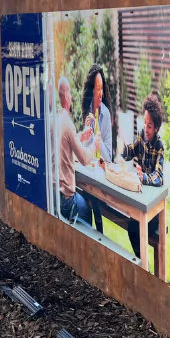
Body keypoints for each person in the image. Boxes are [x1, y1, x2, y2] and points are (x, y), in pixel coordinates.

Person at [121, 92, 165, 259]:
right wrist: (122, 146)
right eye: (145, 124)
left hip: (152, 207)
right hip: (140, 201)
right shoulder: (141, 135)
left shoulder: (159, 146)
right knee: (131, 227)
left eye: (149, 126)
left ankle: (142, 265)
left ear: (156, 128)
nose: (146, 129)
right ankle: (141, 263)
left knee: (134, 229)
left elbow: (159, 177)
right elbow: (129, 152)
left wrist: (143, 177)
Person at [80, 64, 113, 231]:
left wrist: (97, 139)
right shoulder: (86, 112)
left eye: (102, 88)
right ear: (91, 90)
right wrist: (88, 134)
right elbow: (83, 150)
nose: (100, 93)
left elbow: (109, 157)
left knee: (94, 201)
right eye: (97, 88)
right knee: (86, 198)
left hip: (100, 173)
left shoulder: (105, 114)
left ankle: (98, 233)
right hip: (87, 171)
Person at [56, 76, 93, 224]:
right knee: (87, 210)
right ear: (66, 95)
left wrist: (79, 137)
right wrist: (94, 145)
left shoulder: (58, 118)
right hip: (67, 201)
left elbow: (65, 142)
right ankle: (90, 244)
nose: (71, 97)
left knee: (87, 203)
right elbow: (84, 158)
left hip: (57, 195)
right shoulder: (67, 122)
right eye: (70, 93)